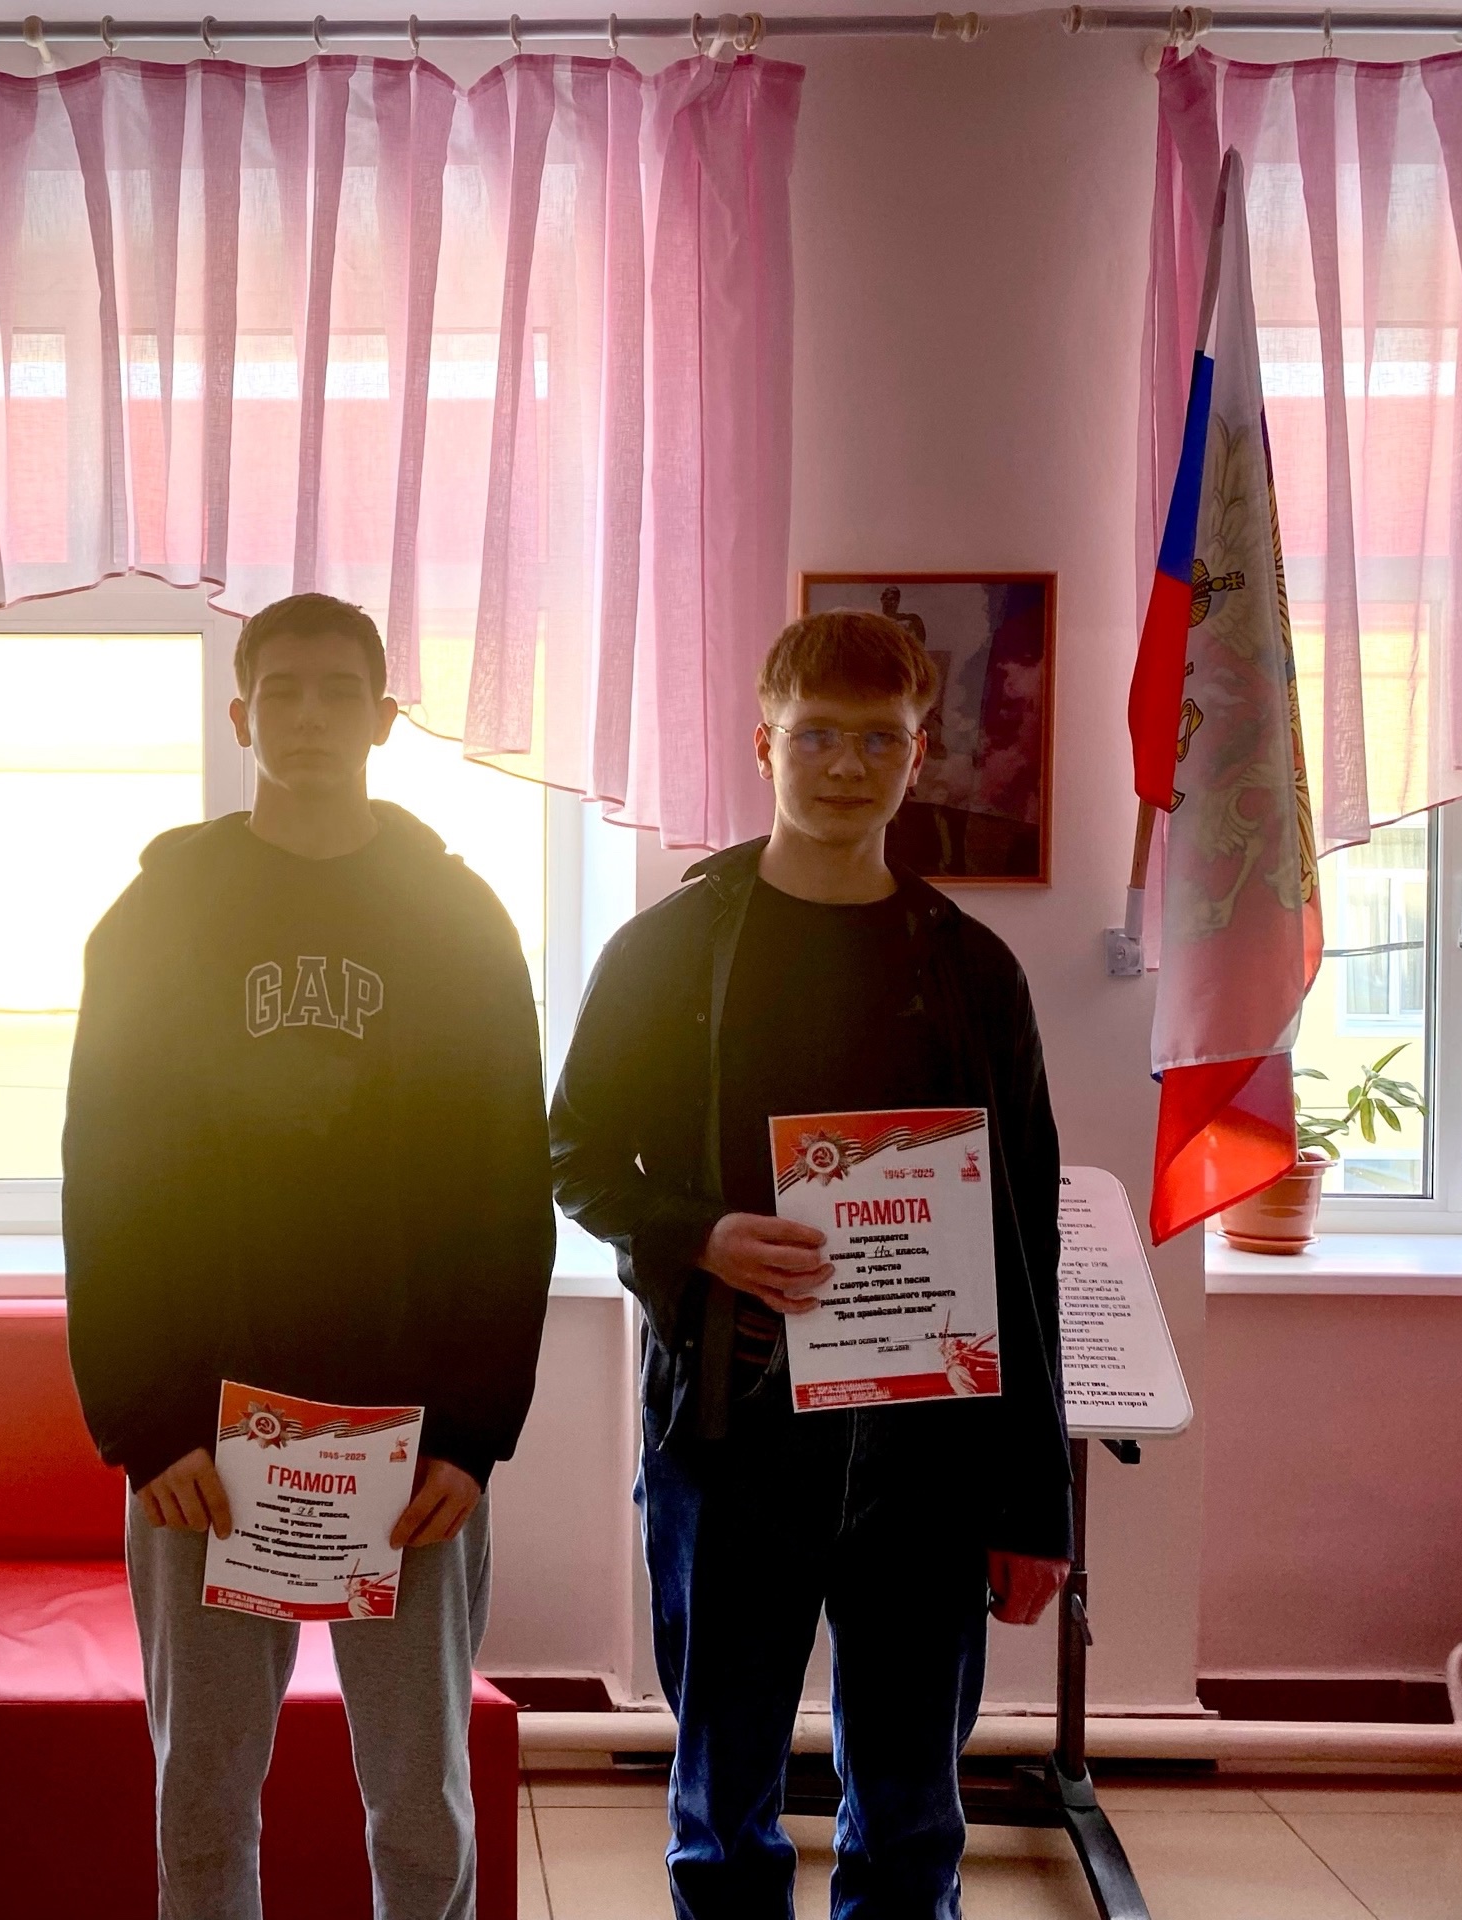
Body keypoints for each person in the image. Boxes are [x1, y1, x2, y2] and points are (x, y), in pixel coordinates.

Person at [550, 608, 1072, 1920]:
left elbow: (1025, 1238)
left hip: (928, 1449)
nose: (848, 764)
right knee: (722, 1801)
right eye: (818, 735)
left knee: (910, 1808)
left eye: (880, 739)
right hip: (730, 1433)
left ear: (920, 753)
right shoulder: (669, 954)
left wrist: (1033, 1505)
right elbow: (573, 1155)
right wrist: (702, 1234)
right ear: (764, 743)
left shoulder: (971, 970)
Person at [63, 592, 555, 1920]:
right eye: (281, 690)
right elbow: (105, 1180)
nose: (311, 715)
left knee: (420, 1799)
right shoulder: (157, 916)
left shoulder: (460, 920)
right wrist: (144, 1423)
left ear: (386, 718)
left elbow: (510, 1190)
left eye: (341, 691)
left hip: (411, 1441)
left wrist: (474, 1436)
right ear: (240, 715)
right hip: (205, 1442)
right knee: (204, 1798)